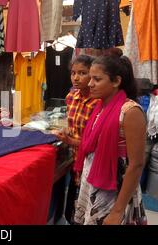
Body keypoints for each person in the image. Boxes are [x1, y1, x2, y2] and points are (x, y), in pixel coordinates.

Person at [73, 53, 147, 225]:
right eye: (90, 78)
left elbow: (136, 164)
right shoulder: (100, 107)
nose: (90, 84)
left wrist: (117, 211)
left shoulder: (130, 112)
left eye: (97, 79)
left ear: (116, 81)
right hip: (94, 184)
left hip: (115, 192)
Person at [54, 55, 98, 223]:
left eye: (82, 73)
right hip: (73, 159)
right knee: (72, 202)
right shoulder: (71, 97)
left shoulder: (98, 103)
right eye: (73, 73)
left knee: (87, 207)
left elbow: (97, 143)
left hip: (90, 161)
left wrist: (69, 141)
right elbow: (72, 125)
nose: (76, 78)